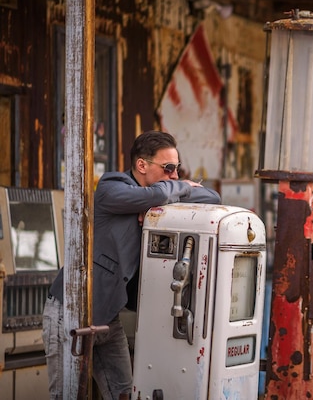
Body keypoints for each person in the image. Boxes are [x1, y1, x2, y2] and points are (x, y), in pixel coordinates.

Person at [42, 130, 220, 399]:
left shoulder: (153, 196)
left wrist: (154, 201)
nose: (174, 175)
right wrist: (175, 190)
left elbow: (212, 198)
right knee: (67, 395)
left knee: (124, 392)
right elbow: (153, 195)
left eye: (178, 170)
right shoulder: (112, 185)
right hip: (71, 311)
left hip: (108, 317)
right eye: (169, 169)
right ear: (141, 165)